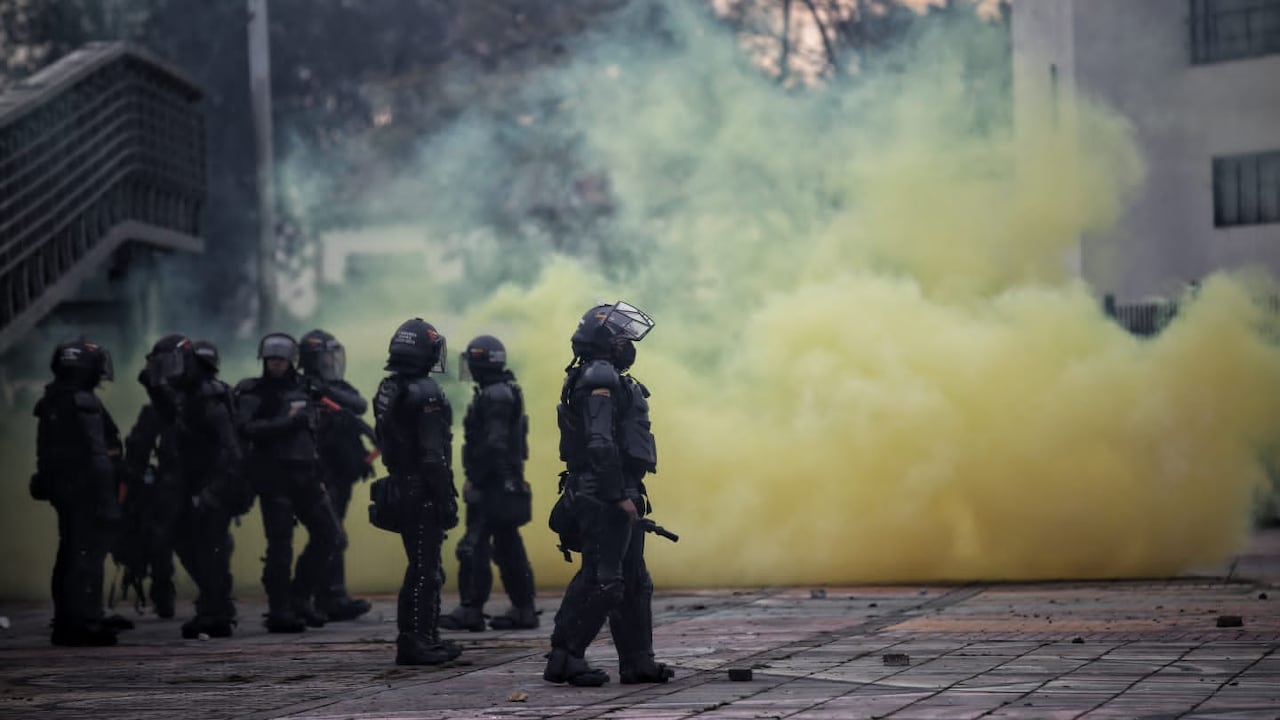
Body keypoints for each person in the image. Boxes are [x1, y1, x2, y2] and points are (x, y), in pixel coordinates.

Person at [544, 301, 673, 687]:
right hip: (601, 492)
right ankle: (564, 658)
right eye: (620, 338)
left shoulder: (604, 374)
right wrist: (618, 494)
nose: (626, 344)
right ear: (604, 341)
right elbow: (599, 443)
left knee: (634, 581)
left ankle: (638, 663)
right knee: (602, 580)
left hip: (617, 487)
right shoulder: (599, 375)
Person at [235, 332, 345, 632]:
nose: (275, 365)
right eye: (270, 360)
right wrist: (286, 421)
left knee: (331, 535)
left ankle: (300, 597)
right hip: (274, 479)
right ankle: (280, 609)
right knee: (280, 546)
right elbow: (244, 428)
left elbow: (312, 436)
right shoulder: (254, 391)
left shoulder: (305, 388)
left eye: (280, 360)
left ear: (291, 361)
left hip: (307, 476)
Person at [371, 318, 461, 665]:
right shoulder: (425, 391)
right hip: (421, 487)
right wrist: (445, 498)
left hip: (399, 481)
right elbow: (432, 455)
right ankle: (418, 640)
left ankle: (421, 637)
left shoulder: (388, 386)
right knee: (427, 569)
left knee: (419, 566)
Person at [31, 338, 130, 646]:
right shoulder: (82, 400)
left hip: (66, 490)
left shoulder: (52, 399)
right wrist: (108, 501)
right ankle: (83, 622)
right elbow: (98, 455)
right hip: (87, 491)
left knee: (70, 554)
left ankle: (70, 619)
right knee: (86, 557)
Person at [440, 335, 538, 632]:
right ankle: (523, 608)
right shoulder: (505, 391)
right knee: (508, 547)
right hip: (505, 482)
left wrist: (477, 480)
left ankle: (470, 609)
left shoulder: (494, 395)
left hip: (492, 485)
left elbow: (494, 444)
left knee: (475, 546)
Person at [297, 329, 374, 622]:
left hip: (341, 473)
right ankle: (308, 596)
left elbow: (359, 405)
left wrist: (323, 389)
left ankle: (332, 595)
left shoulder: (332, 388)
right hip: (317, 472)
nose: (331, 362)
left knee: (334, 532)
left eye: (333, 356)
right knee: (329, 535)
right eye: (324, 357)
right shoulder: (299, 389)